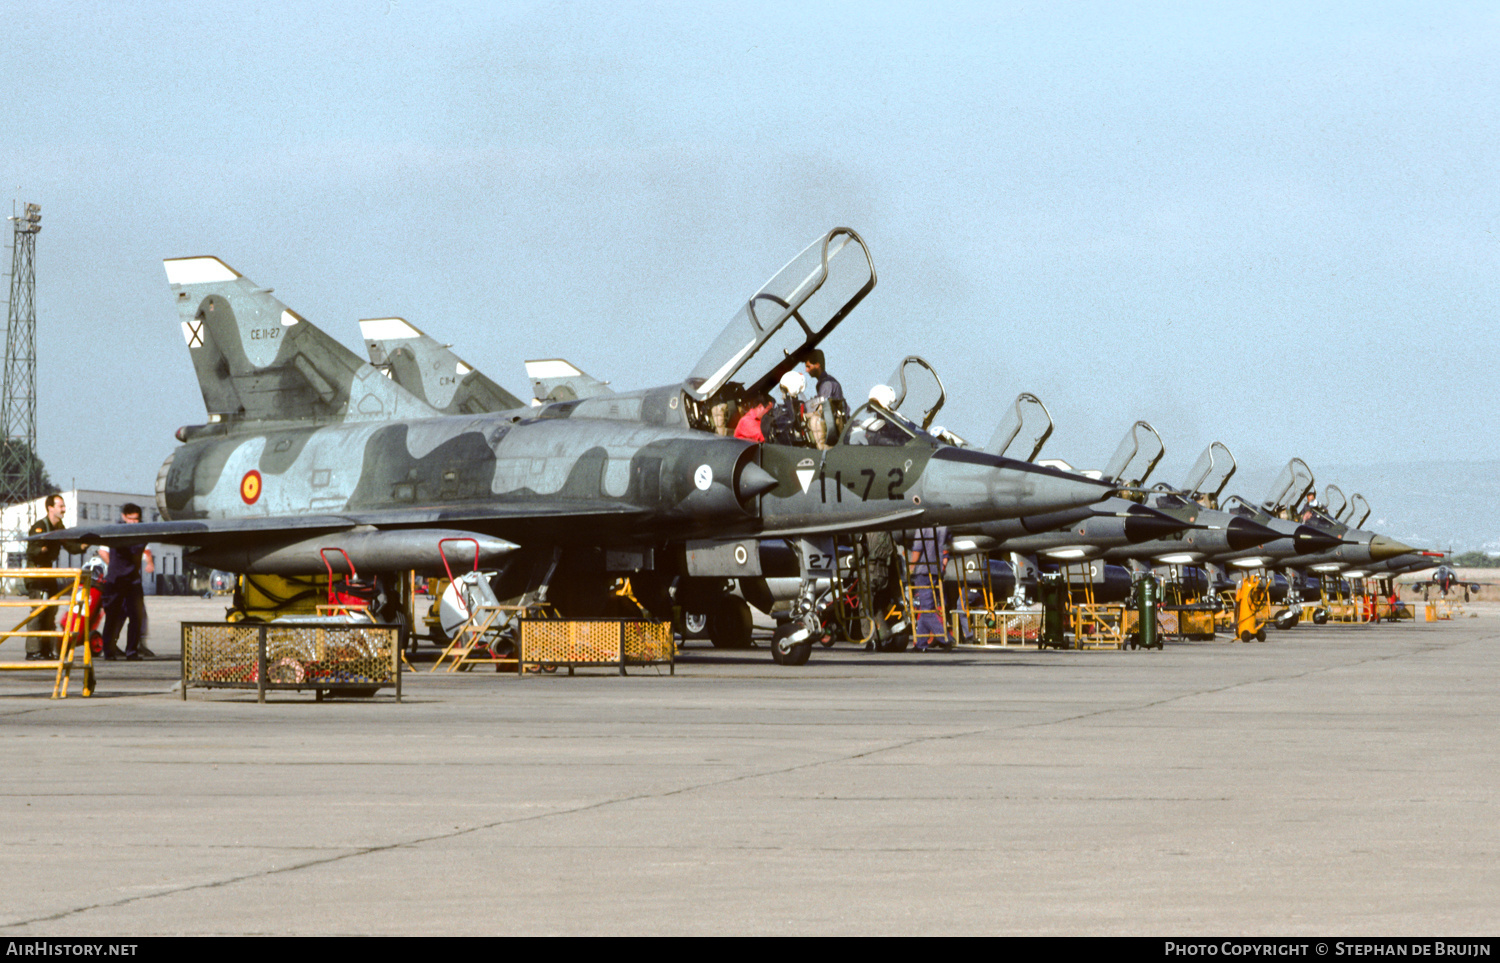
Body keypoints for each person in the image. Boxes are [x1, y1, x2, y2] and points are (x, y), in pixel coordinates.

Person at [96, 503, 155, 661]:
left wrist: (149, 562)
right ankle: (109, 651)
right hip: (116, 580)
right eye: (131, 519)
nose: (134, 522)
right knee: (113, 616)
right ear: (124, 517)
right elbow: (102, 549)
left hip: (133, 581)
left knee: (136, 616)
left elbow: (147, 549)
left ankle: (132, 652)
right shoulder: (115, 532)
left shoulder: (143, 532)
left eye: (137, 519)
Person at [25, 494, 69, 661]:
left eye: (63, 506)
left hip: (48, 572)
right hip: (36, 573)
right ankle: (33, 651)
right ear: (50, 508)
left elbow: (70, 544)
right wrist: (42, 549)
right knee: (38, 611)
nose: (63, 509)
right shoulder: (39, 527)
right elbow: (32, 550)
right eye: (60, 506)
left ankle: (46, 650)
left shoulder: (59, 527)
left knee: (51, 610)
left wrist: (83, 544)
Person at [803, 349, 847, 447]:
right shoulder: (824, 382)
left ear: (818, 365)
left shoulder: (827, 384)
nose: (806, 370)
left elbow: (823, 410)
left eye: (808, 366)